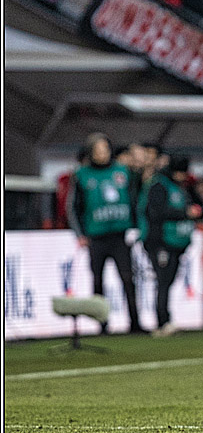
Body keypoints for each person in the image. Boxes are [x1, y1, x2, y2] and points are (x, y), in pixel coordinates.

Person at [67, 132, 143, 334]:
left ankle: (135, 323)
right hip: (96, 236)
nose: (102, 154)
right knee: (98, 280)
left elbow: (135, 200)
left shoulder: (123, 171)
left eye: (105, 149)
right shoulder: (81, 174)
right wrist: (80, 233)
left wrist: (135, 227)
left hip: (120, 235)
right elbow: (73, 207)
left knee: (128, 279)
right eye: (98, 150)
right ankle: (102, 324)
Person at [138, 154, 201, 337]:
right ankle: (162, 321)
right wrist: (184, 213)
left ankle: (165, 320)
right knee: (163, 280)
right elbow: (155, 212)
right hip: (159, 241)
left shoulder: (180, 186)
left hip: (175, 242)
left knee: (168, 280)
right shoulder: (159, 185)